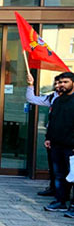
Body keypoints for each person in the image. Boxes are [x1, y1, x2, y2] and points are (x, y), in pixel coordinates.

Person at [43, 72, 74, 217]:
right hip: (56, 145)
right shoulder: (57, 101)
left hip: (71, 146)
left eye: (65, 82)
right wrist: (48, 138)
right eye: (59, 82)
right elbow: (52, 121)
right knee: (59, 175)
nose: (61, 85)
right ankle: (60, 201)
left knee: (72, 176)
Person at [26, 73, 61, 197]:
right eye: (56, 83)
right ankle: (54, 188)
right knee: (53, 165)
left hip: (67, 138)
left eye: (62, 82)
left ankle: (62, 195)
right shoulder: (52, 97)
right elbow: (32, 99)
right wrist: (31, 85)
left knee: (66, 168)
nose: (58, 86)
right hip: (53, 136)